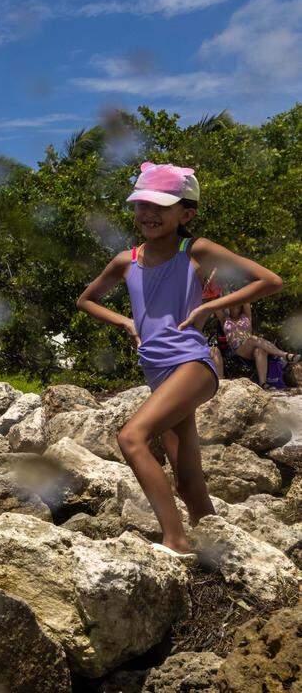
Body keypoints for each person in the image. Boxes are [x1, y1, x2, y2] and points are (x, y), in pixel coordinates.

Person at [77, 162, 284, 559]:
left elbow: (270, 280)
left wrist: (210, 306)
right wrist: (125, 321)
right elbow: (86, 300)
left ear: (185, 214)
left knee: (131, 437)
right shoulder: (127, 260)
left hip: (192, 366)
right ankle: (217, 549)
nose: (148, 213)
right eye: (142, 205)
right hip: (157, 372)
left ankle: (176, 540)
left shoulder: (197, 251)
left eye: (161, 206)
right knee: (188, 483)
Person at [216, 302, 299, 389]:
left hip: (251, 347)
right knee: (252, 339)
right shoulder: (224, 319)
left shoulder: (246, 316)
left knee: (260, 350)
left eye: (238, 303)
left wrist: (239, 293)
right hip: (237, 349)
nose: (235, 306)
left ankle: (263, 383)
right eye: (233, 304)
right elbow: (215, 305)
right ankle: (284, 355)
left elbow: (247, 298)